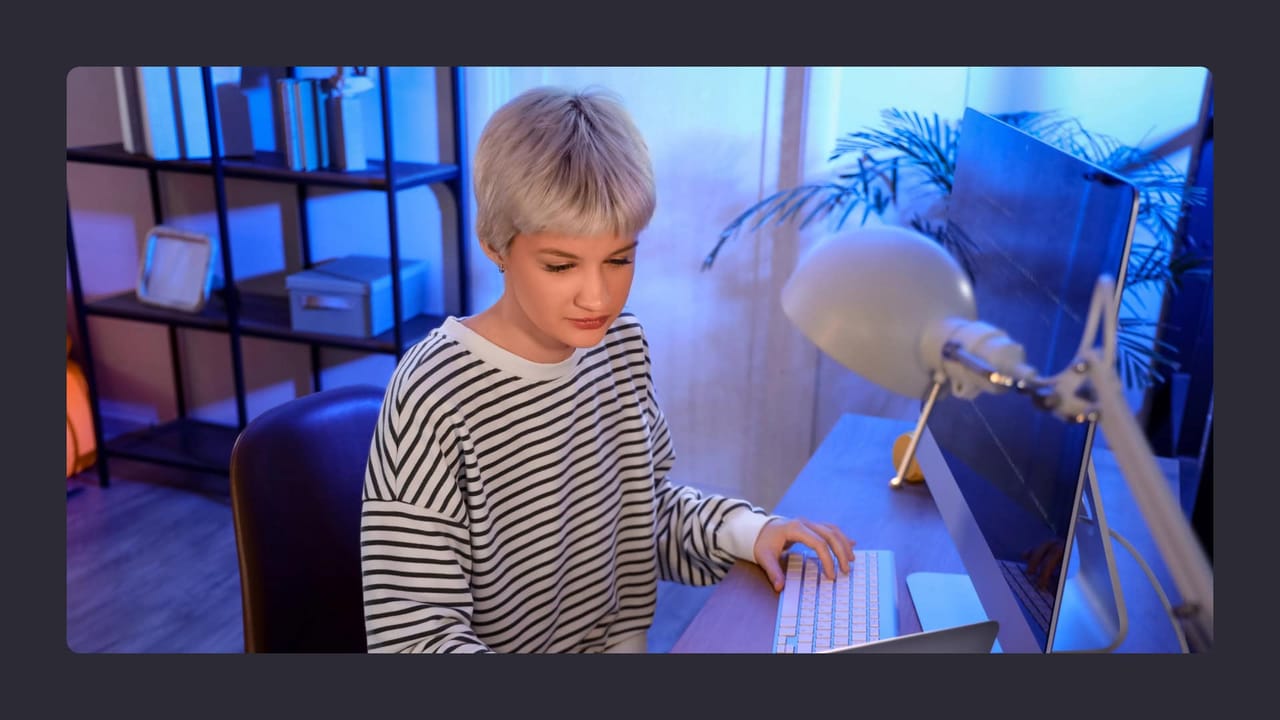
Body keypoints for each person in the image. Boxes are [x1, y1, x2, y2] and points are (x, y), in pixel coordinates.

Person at [361, 85, 855, 653]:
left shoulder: (618, 346)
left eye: (620, 259)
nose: (597, 297)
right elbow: (413, 638)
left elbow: (642, 514)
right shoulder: (435, 392)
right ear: (494, 244)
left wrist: (751, 531)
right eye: (561, 264)